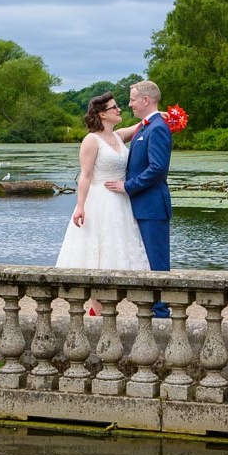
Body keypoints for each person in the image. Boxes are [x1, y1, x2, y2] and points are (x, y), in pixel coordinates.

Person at [55, 92, 150, 312]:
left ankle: (105, 308)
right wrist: (80, 206)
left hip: (120, 202)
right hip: (99, 202)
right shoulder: (91, 140)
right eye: (114, 107)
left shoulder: (118, 136)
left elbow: (142, 125)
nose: (119, 110)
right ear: (102, 114)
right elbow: (85, 175)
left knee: (117, 254)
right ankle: (95, 309)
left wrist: (162, 115)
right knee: (97, 255)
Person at [105, 80, 172, 318]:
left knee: (157, 262)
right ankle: (153, 307)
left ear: (146, 100)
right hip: (140, 206)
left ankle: (162, 312)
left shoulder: (158, 128)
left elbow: (157, 169)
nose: (130, 104)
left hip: (153, 207)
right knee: (145, 262)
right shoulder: (146, 126)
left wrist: (127, 186)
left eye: (133, 99)